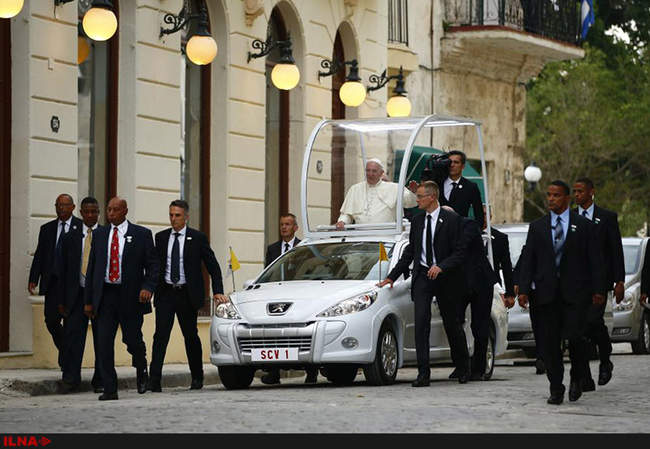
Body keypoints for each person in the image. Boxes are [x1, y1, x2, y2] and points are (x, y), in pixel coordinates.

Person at [518, 181, 606, 405]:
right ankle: (556, 387)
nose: (551, 199)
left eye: (556, 195)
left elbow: (595, 260)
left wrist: (598, 289)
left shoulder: (583, 226)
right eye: (549, 195)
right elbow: (529, 259)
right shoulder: (537, 226)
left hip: (575, 295)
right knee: (549, 344)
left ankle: (577, 377)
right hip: (546, 295)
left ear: (567, 198)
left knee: (576, 339)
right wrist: (524, 289)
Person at [377, 181, 470, 386]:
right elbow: (411, 251)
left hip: (446, 278)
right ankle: (423, 373)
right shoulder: (418, 221)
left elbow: (460, 252)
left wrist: (442, 266)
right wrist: (392, 276)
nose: (416, 200)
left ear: (432, 197)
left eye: (419, 196)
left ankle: (463, 366)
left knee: (452, 323)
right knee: (421, 323)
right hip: (422, 277)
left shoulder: (452, 219)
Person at [84, 197, 159, 401]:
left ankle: (141, 366)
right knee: (103, 342)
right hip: (106, 295)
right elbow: (92, 268)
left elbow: (153, 265)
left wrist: (147, 287)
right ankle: (110, 388)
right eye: (108, 209)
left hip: (131, 296)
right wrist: (89, 300)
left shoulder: (141, 234)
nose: (111, 213)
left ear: (125, 211)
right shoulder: (100, 234)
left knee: (132, 339)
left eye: (115, 210)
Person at [149, 200, 228, 392]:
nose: (173, 219)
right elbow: (154, 266)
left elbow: (213, 266)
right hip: (166, 293)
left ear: (186, 217)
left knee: (190, 336)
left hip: (187, 294)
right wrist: (149, 287)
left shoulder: (197, 238)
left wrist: (217, 290)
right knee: (160, 336)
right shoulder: (161, 237)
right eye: (171, 215)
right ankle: (154, 380)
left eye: (177, 215)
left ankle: (197, 377)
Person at [573, 177, 625, 389]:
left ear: (591, 192)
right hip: (575, 284)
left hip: (599, 283)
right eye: (575, 191)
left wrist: (619, 281)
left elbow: (616, 251)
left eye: (581, 191)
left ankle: (605, 359)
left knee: (593, 322)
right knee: (579, 330)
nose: (577, 195)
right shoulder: (570, 217)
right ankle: (584, 376)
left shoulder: (607, 218)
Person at [261, 213, 319, 385]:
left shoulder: (304, 247)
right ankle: (274, 373)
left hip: (300, 295)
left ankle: (311, 372)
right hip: (277, 295)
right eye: (281, 224)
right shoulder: (272, 249)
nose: (284, 227)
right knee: (275, 332)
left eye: (287, 224)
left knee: (301, 331)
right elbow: (269, 271)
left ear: (295, 227)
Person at [28, 194, 82, 369]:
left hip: (73, 285)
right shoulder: (47, 229)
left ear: (73, 207)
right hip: (53, 283)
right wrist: (33, 278)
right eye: (58, 205)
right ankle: (66, 352)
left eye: (65, 205)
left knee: (70, 323)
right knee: (51, 321)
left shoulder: (81, 227)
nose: (61, 208)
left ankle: (67, 360)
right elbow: (40, 255)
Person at [57, 197, 103, 393]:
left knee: (102, 339)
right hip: (75, 296)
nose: (90, 215)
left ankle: (101, 380)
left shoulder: (106, 235)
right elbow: (62, 271)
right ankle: (70, 379)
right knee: (73, 338)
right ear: (81, 213)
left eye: (94, 211)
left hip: (100, 296)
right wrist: (61, 300)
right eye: (87, 212)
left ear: (98, 213)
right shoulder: (70, 237)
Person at [456, 213, 500, 381]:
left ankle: (479, 368)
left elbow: (461, 249)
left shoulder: (468, 225)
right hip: (460, 283)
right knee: (455, 322)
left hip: (481, 282)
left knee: (480, 326)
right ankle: (462, 365)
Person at [336, 158, 418, 229]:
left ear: (381, 173)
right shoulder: (355, 189)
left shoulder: (394, 188)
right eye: (368, 170)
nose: (370, 174)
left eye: (374, 171)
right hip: (360, 236)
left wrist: (413, 192)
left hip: (385, 236)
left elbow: (410, 203)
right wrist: (342, 222)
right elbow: (347, 214)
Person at [513, 247, 545, 375]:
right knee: (538, 326)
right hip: (535, 293)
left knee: (550, 326)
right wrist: (520, 288)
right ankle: (541, 357)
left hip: (554, 291)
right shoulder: (530, 247)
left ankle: (548, 355)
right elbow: (522, 266)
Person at [439, 150, 484, 229]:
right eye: (450, 162)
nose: (452, 165)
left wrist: (473, 232)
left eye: (456, 162)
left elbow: (479, 215)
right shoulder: (438, 183)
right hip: (438, 231)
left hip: (460, 231)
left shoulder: (470, 187)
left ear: (463, 166)